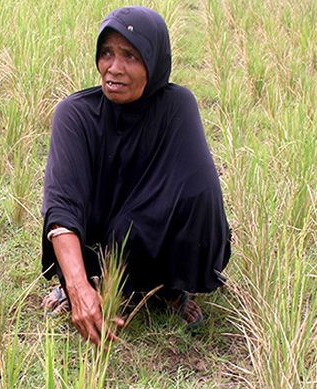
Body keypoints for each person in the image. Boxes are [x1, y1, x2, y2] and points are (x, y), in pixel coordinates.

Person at [41, 6, 231, 346]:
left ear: (154, 62)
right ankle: (86, 281)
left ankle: (167, 286)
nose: (114, 68)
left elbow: (197, 187)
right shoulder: (75, 114)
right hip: (95, 242)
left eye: (130, 55)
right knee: (79, 239)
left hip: (146, 235)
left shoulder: (177, 105)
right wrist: (77, 285)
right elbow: (62, 205)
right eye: (107, 53)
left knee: (201, 192)